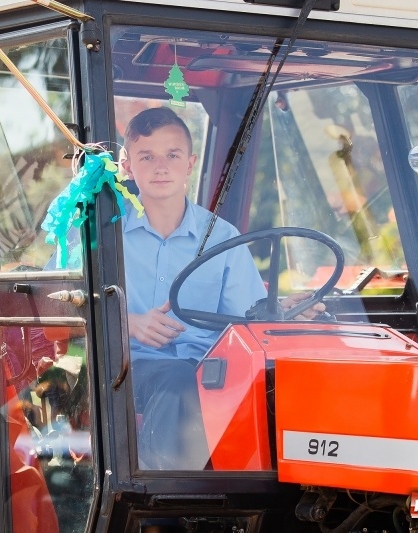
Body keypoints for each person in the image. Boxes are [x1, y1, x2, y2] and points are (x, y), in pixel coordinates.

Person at [119, 107, 323, 469]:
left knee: (291, 384)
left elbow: (247, 315)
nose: (160, 167)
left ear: (190, 163)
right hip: (127, 366)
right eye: (146, 157)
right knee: (178, 381)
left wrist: (282, 311)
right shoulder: (102, 231)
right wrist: (129, 323)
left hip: (210, 367)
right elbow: (58, 301)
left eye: (172, 155)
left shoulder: (222, 237)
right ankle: (165, 489)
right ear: (128, 166)